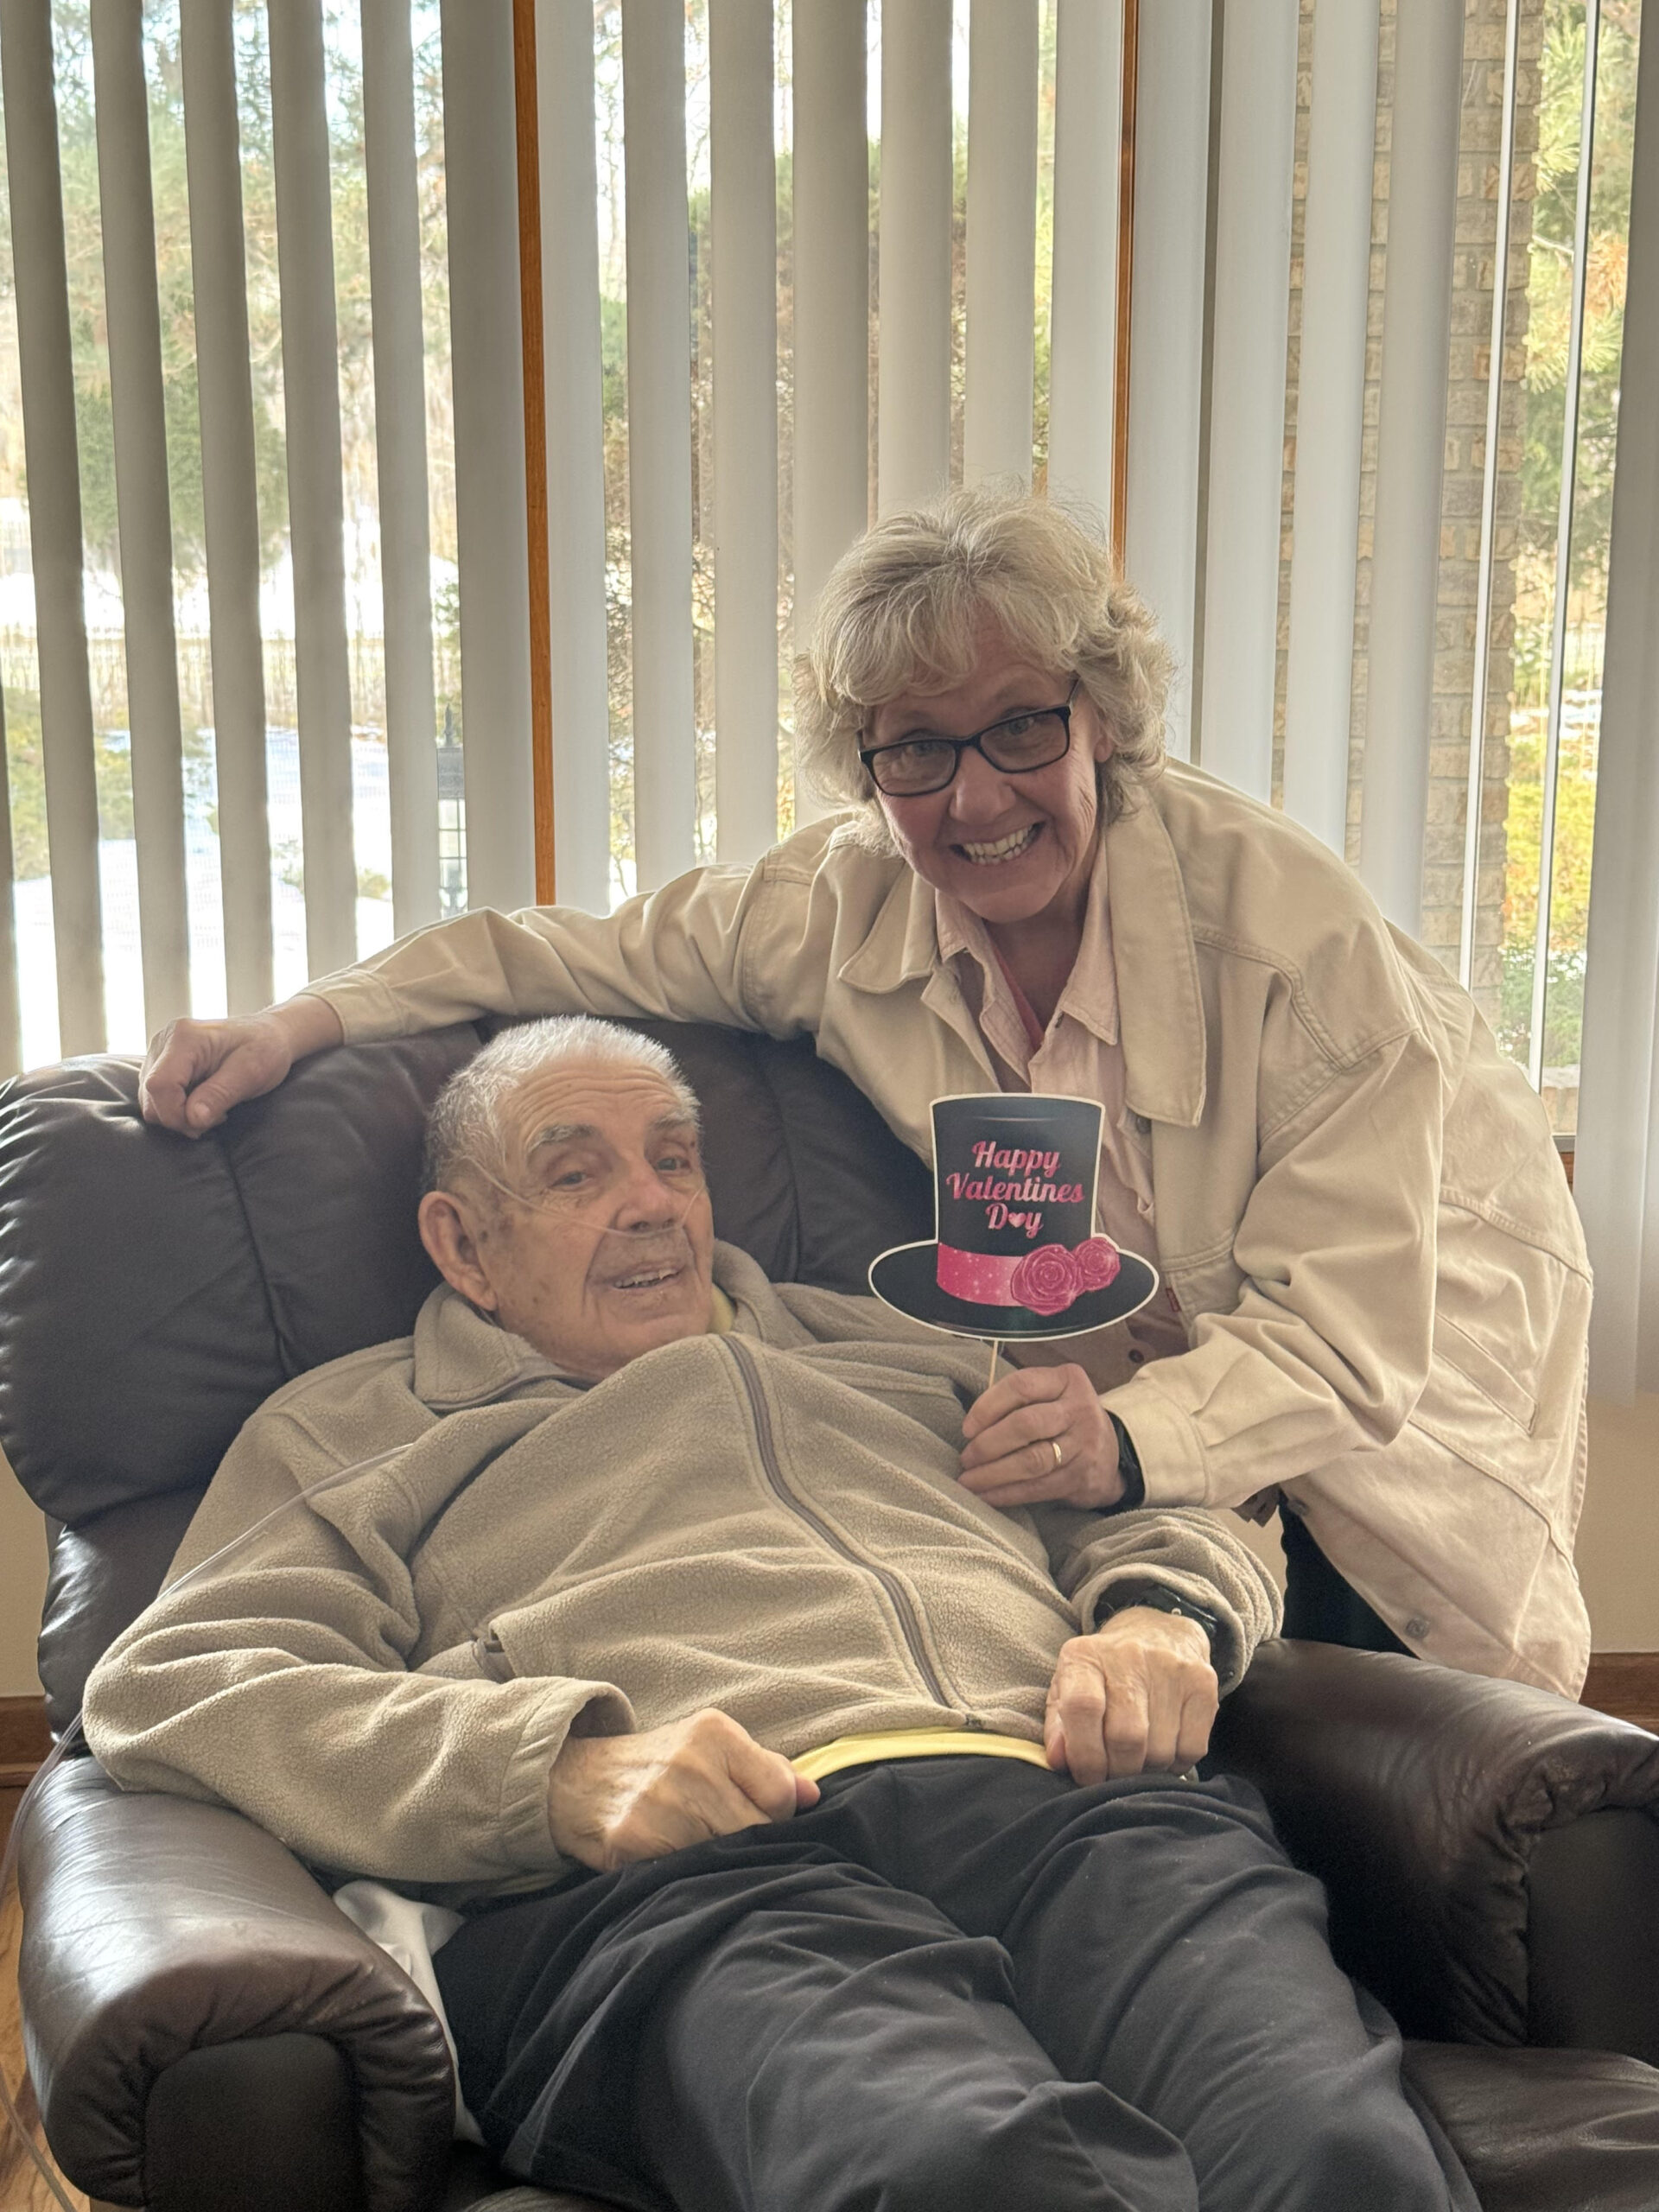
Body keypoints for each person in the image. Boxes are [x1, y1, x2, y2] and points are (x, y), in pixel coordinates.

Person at [137, 489, 1592, 1695]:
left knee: (1424, 1732)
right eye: (916, 749)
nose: (975, 797)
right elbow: (559, 951)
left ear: (1102, 719)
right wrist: (299, 1023)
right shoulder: (838, 909)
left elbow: (1346, 1341)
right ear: (866, 765)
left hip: (1400, 1384)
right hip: (1136, 1430)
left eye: (1021, 727)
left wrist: (1128, 1440)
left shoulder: (1296, 945)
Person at [84, 1018, 1473, 2212]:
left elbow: (1171, 1516)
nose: (653, 1205)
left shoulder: (903, 1347)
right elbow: (178, 1680)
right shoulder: (354, 1426)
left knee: (1338, 2163)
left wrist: (1163, 1615)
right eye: (577, 1173)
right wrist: (550, 1772)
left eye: (674, 1160)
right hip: (700, 1882)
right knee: (967, 2172)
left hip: (1084, 1811)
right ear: (463, 1241)